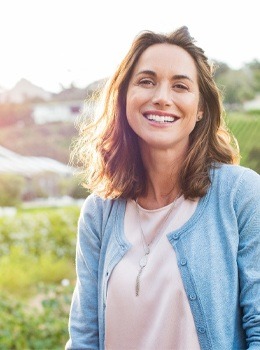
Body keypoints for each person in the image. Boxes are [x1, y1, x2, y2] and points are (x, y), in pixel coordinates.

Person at [65, 26, 260, 350]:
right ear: (124, 97)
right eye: (146, 81)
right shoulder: (99, 212)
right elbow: (85, 338)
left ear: (200, 108)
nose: (162, 97)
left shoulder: (240, 194)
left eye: (180, 85)